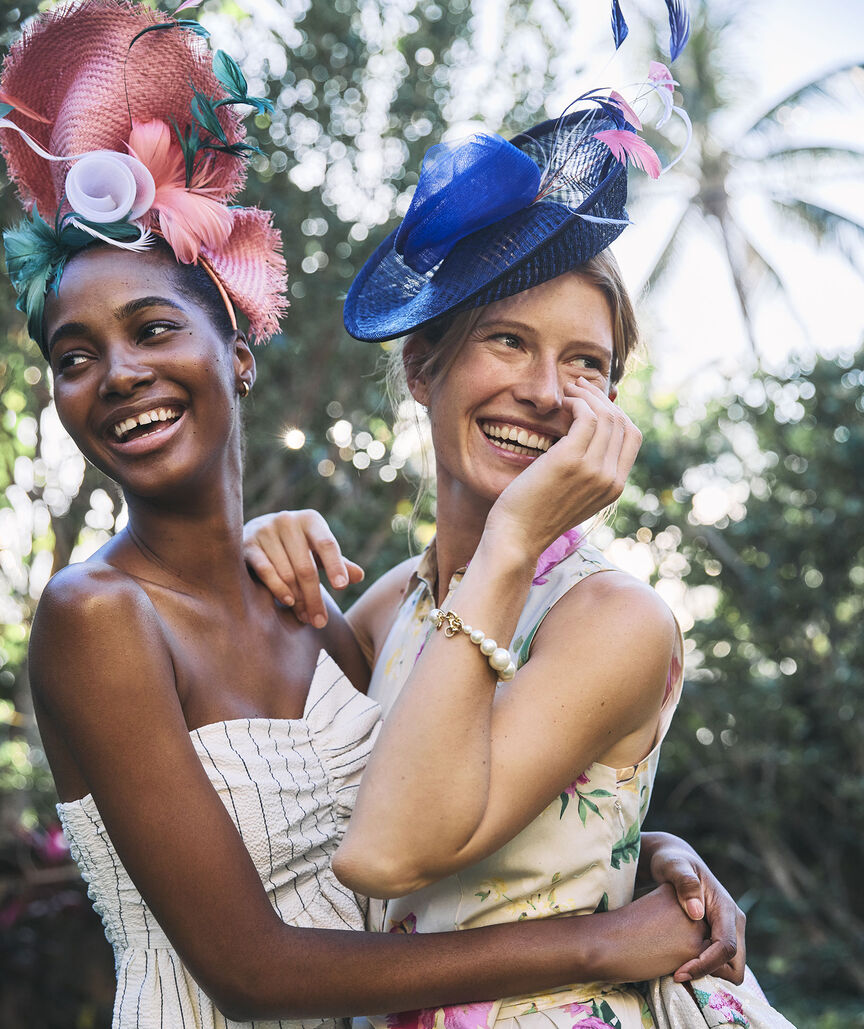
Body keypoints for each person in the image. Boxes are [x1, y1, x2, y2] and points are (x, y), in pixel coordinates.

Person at [2, 3, 746, 1028]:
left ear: (239, 358)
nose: (121, 373)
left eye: (586, 364)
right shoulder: (134, 613)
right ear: (422, 371)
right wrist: (601, 934)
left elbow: (487, 817)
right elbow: (278, 948)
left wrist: (646, 850)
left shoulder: (327, 613)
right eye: (75, 356)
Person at [244, 54, 796, 1029]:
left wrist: (511, 541)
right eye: (508, 341)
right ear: (424, 368)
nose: (544, 392)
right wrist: (266, 539)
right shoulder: (392, 607)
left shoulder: (615, 620)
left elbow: (388, 853)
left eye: (585, 363)